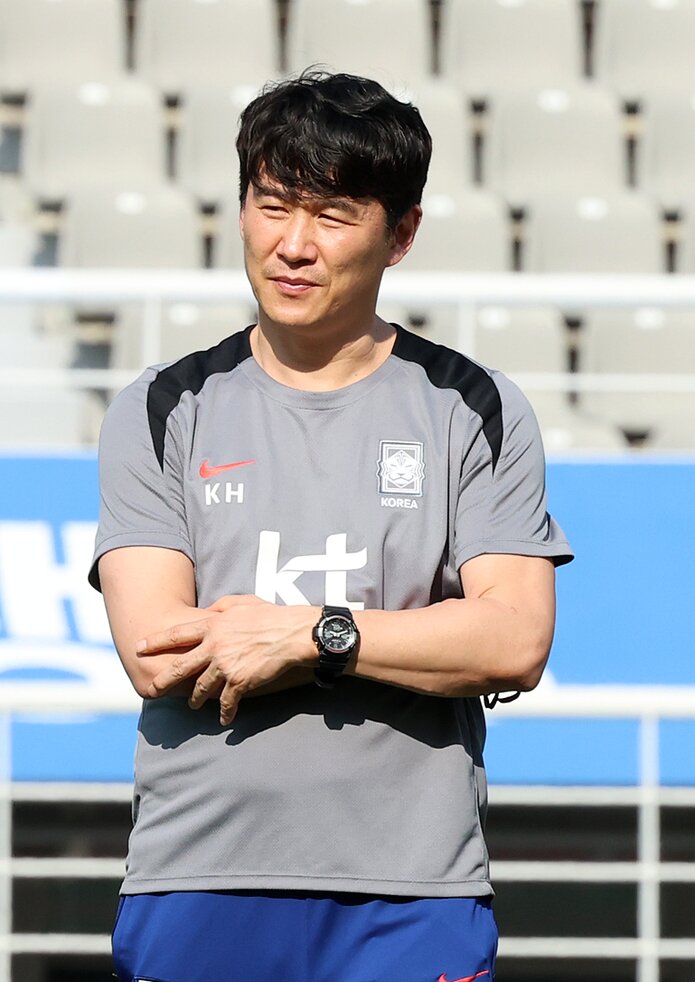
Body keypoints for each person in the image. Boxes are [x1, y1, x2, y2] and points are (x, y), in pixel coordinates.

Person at [89, 71, 572, 982]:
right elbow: (158, 650)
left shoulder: (475, 407)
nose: (294, 246)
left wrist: (314, 636)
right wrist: (418, 638)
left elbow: (513, 639)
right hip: (197, 877)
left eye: (335, 215)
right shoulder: (162, 407)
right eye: (272, 206)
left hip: (411, 891)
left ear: (402, 234)